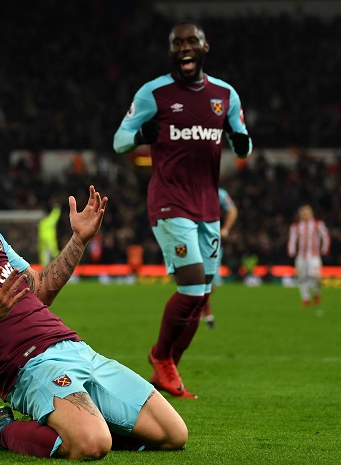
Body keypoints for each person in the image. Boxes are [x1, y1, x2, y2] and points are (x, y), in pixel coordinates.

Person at [0, 143, 187, 461]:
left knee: (172, 434)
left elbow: (42, 289)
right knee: (91, 445)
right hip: (29, 367)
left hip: (76, 349)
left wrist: (78, 240)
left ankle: (77, 424)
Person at [112, 21, 252, 398]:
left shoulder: (225, 95)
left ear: (206, 46)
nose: (185, 47)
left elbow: (244, 147)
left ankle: (169, 365)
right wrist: (143, 136)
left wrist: (240, 141)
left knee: (203, 294)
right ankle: (160, 356)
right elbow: (120, 140)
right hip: (170, 202)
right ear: (172, 50)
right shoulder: (153, 93)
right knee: (191, 289)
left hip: (208, 206)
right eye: (178, 43)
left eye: (192, 41)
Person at [201, 187, 238, 328]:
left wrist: (226, 229)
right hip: (193, 240)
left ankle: (199, 312)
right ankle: (207, 316)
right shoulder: (189, 190)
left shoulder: (219, 193)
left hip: (212, 243)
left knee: (211, 284)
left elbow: (233, 210)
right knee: (197, 280)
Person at [287, 204, 330, 306]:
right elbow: (292, 240)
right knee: (302, 277)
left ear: (311, 213)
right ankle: (305, 298)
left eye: (306, 212)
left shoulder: (318, 225)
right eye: (302, 213)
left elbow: (325, 237)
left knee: (315, 276)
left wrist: (324, 249)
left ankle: (316, 293)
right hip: (301, 256)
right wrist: (291, 251)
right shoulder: (296, 227)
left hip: (314, 256)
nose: (304, 214)